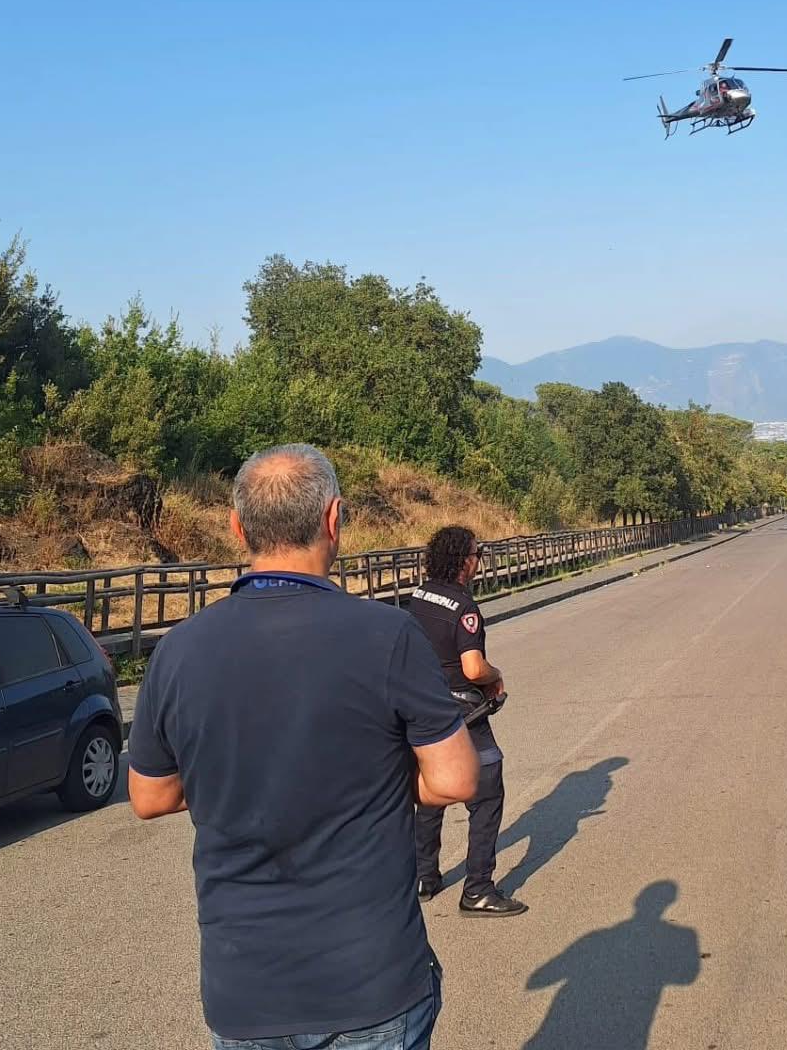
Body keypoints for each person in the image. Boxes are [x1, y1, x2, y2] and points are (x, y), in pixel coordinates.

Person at [128, 445, 479, 1050]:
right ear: (335, 519)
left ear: (238, 527)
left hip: (244, 988)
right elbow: (454, 780)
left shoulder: (179, 650)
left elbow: (150, 796)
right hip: (370, 983)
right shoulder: (387, 635)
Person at [405, 525, 528, 916]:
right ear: (464, 560)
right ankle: (477, 889)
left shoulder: (419, 595)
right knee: (487, 792)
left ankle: (424, 876)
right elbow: (473, 668)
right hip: (463, 711)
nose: (479, 560)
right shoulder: (464, 607)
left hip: (422, 707)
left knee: (431, 790)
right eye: (478, 553)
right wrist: (497, 676)